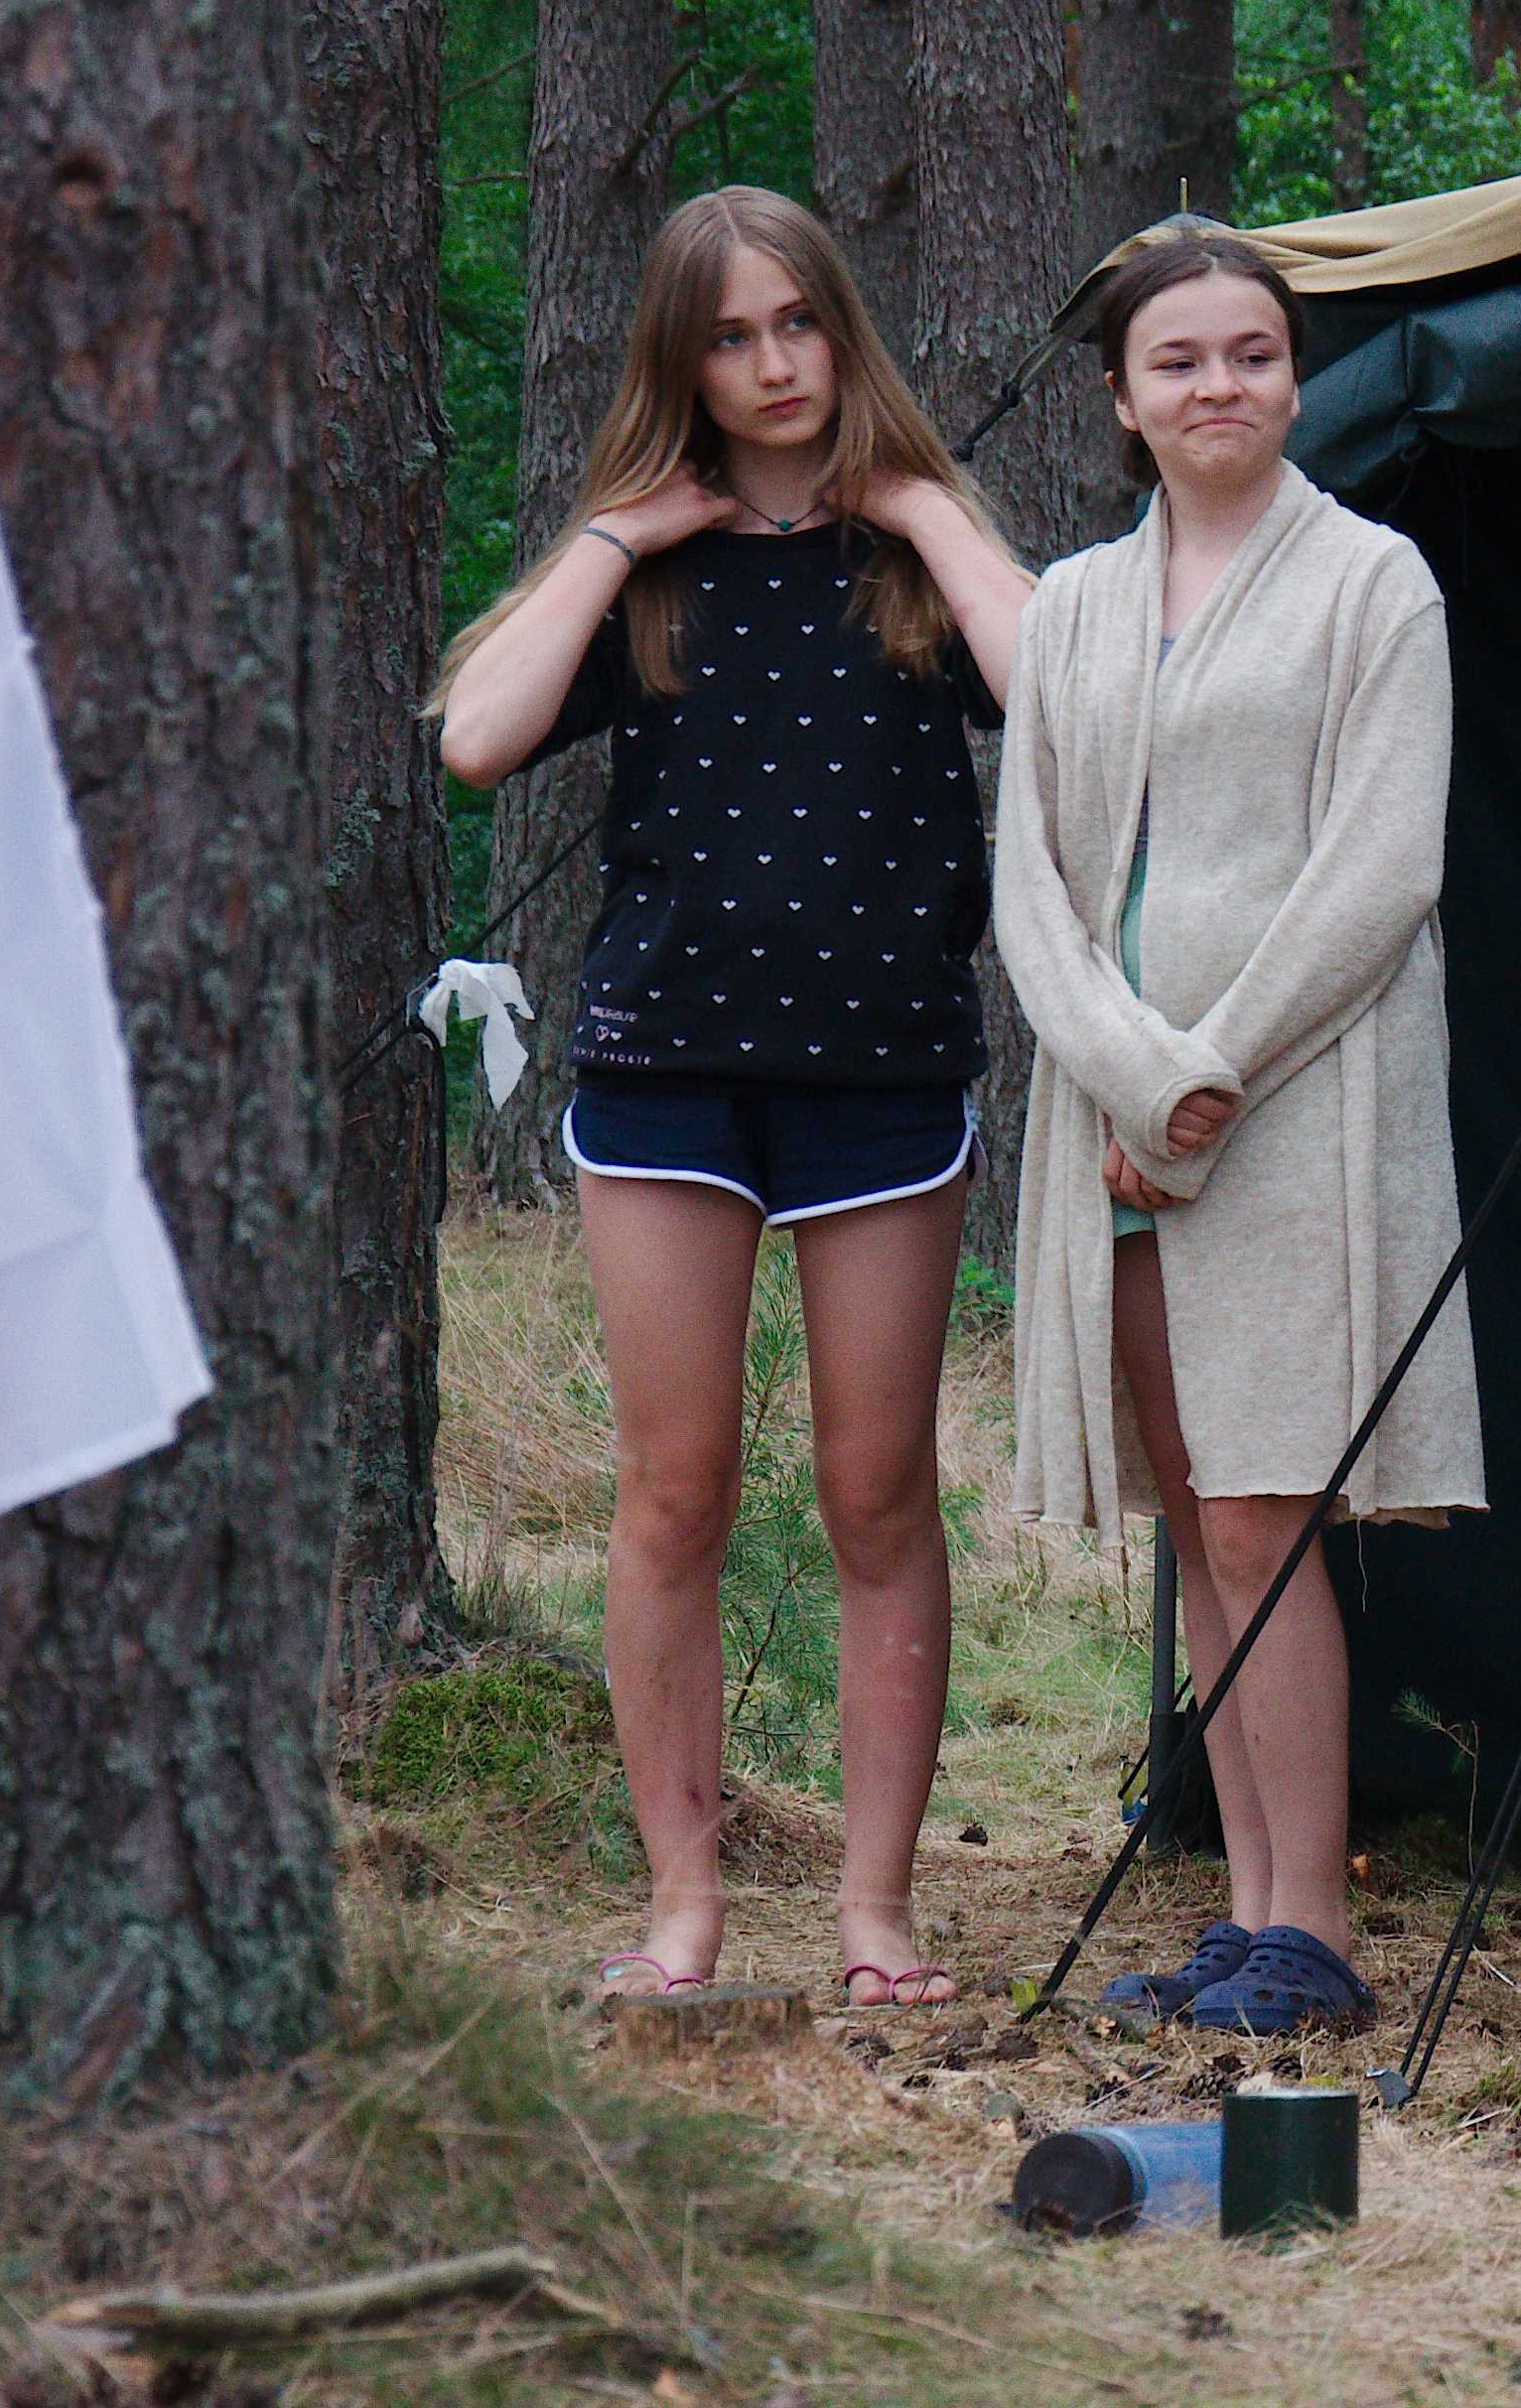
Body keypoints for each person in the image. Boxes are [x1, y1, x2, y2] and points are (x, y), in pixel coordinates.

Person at [434, 186, 1032, 2008]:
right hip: (667, 1070)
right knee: (672, 1494)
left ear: (841, 328)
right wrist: (619, 533)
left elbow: (1064, 697)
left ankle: (876, 1912)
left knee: (878, 1495)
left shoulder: (915, 549)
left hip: (884, 1073)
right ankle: (683, 1904)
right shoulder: (649, 566)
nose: (774, 364)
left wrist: (924, 502)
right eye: (729, 337)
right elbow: (477, 739)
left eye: (798, 324)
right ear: (679, 362)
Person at [999, 220, 1481, 2042]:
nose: (1222, 385)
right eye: (1181, 361)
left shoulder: (1374, 584)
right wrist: (1136, 1085)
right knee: (1201, 1524)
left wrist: (1203, 1084)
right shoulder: (1071, 604)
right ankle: (1251, 1912)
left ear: (1295, 375)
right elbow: (1035, 888)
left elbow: (1382, 870)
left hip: (1291, 1109)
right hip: (1115, 1127)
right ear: (1123, 400)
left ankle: (1316, 1936)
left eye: (1254, 354)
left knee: (1271, 1514)